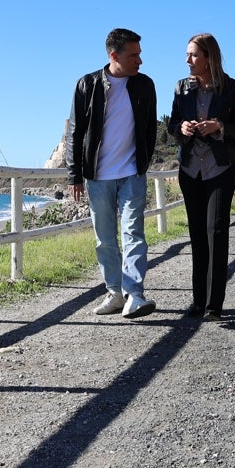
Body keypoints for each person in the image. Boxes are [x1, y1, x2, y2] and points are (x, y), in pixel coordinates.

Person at [68, 28, 158, 319]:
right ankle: (115, 293)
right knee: (104, 239)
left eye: (140, 55)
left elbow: (150, 129)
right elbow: (75, 132)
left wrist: (142, 163)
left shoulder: (145, 85)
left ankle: (135, 295)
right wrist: (75, 175)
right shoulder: (87, 84)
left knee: (134, 233)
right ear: (114, 55)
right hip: (98, 176)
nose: (140, 61)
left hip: (132, 172)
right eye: (134, 55)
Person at [167, 32, 235, 321]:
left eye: (193, 55)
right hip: (189, 169)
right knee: (197, 235)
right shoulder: (181, 88)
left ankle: (214, 305)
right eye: (187, 54)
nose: (187, 60)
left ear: (208, 57)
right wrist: (183, 129)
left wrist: (219, 126)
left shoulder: (232, 88)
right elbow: (171, 126)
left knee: (216, 232)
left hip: (220, 168)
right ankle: (197, 302)